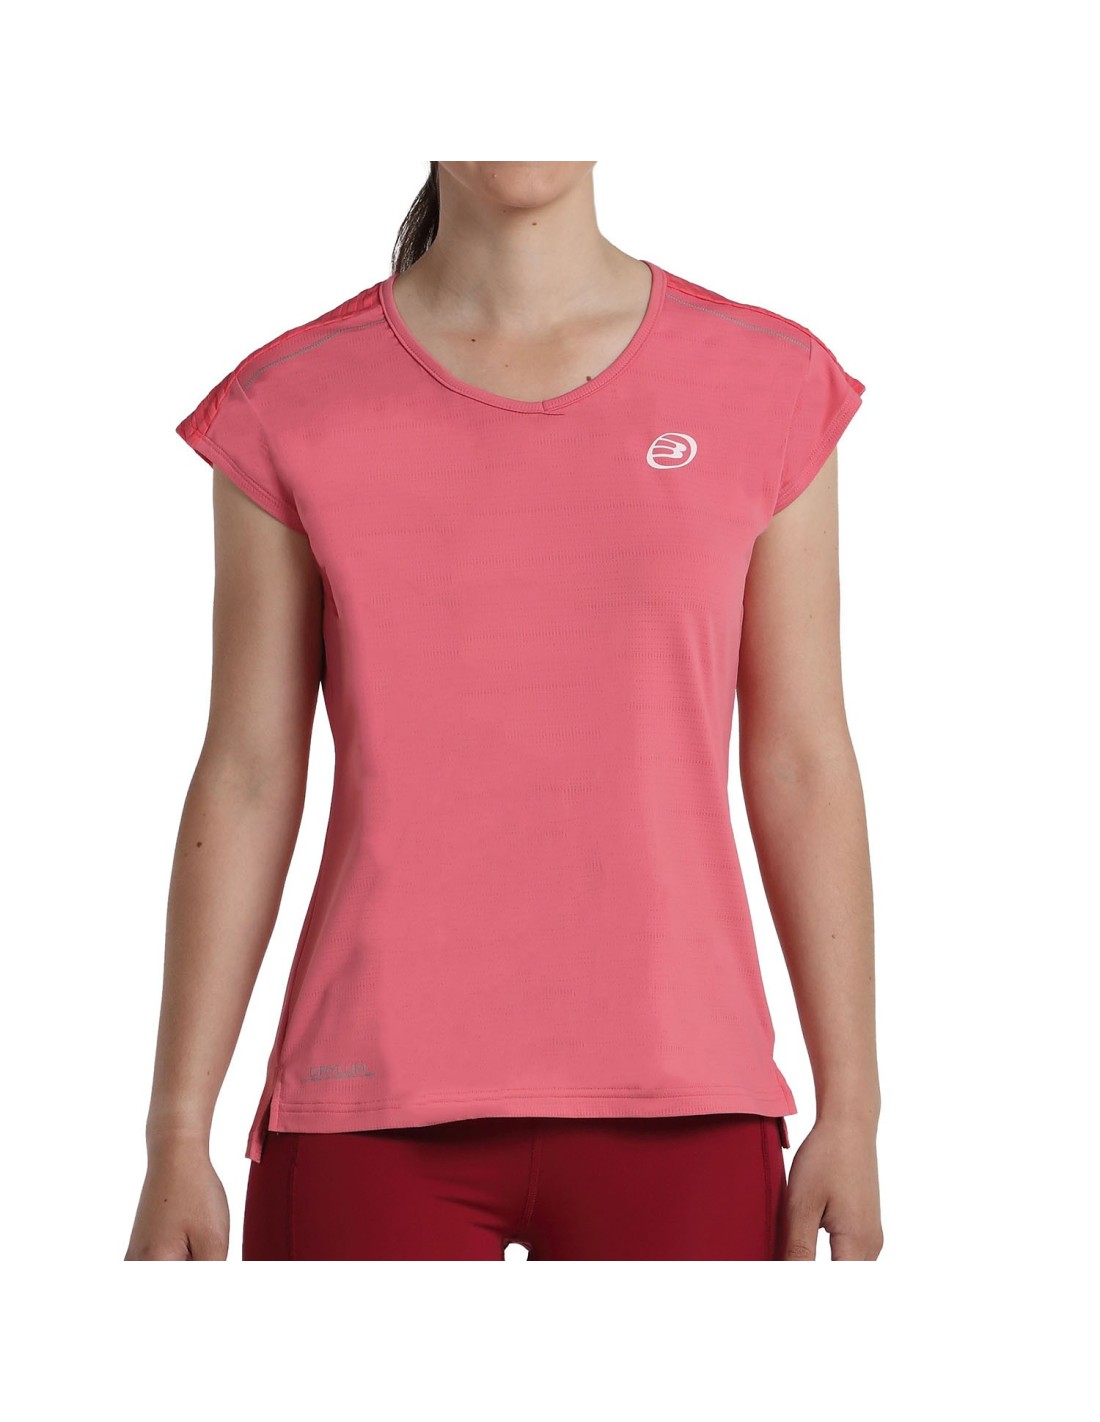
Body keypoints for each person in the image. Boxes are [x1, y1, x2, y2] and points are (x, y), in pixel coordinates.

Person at [125, 161, 883, 1262]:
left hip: (688, 1098)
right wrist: (175, 1133)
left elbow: (801, 760)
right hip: (368, 1103)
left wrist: (852, 1109)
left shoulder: (767, 380)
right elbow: (247, 772)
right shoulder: (289, 400)